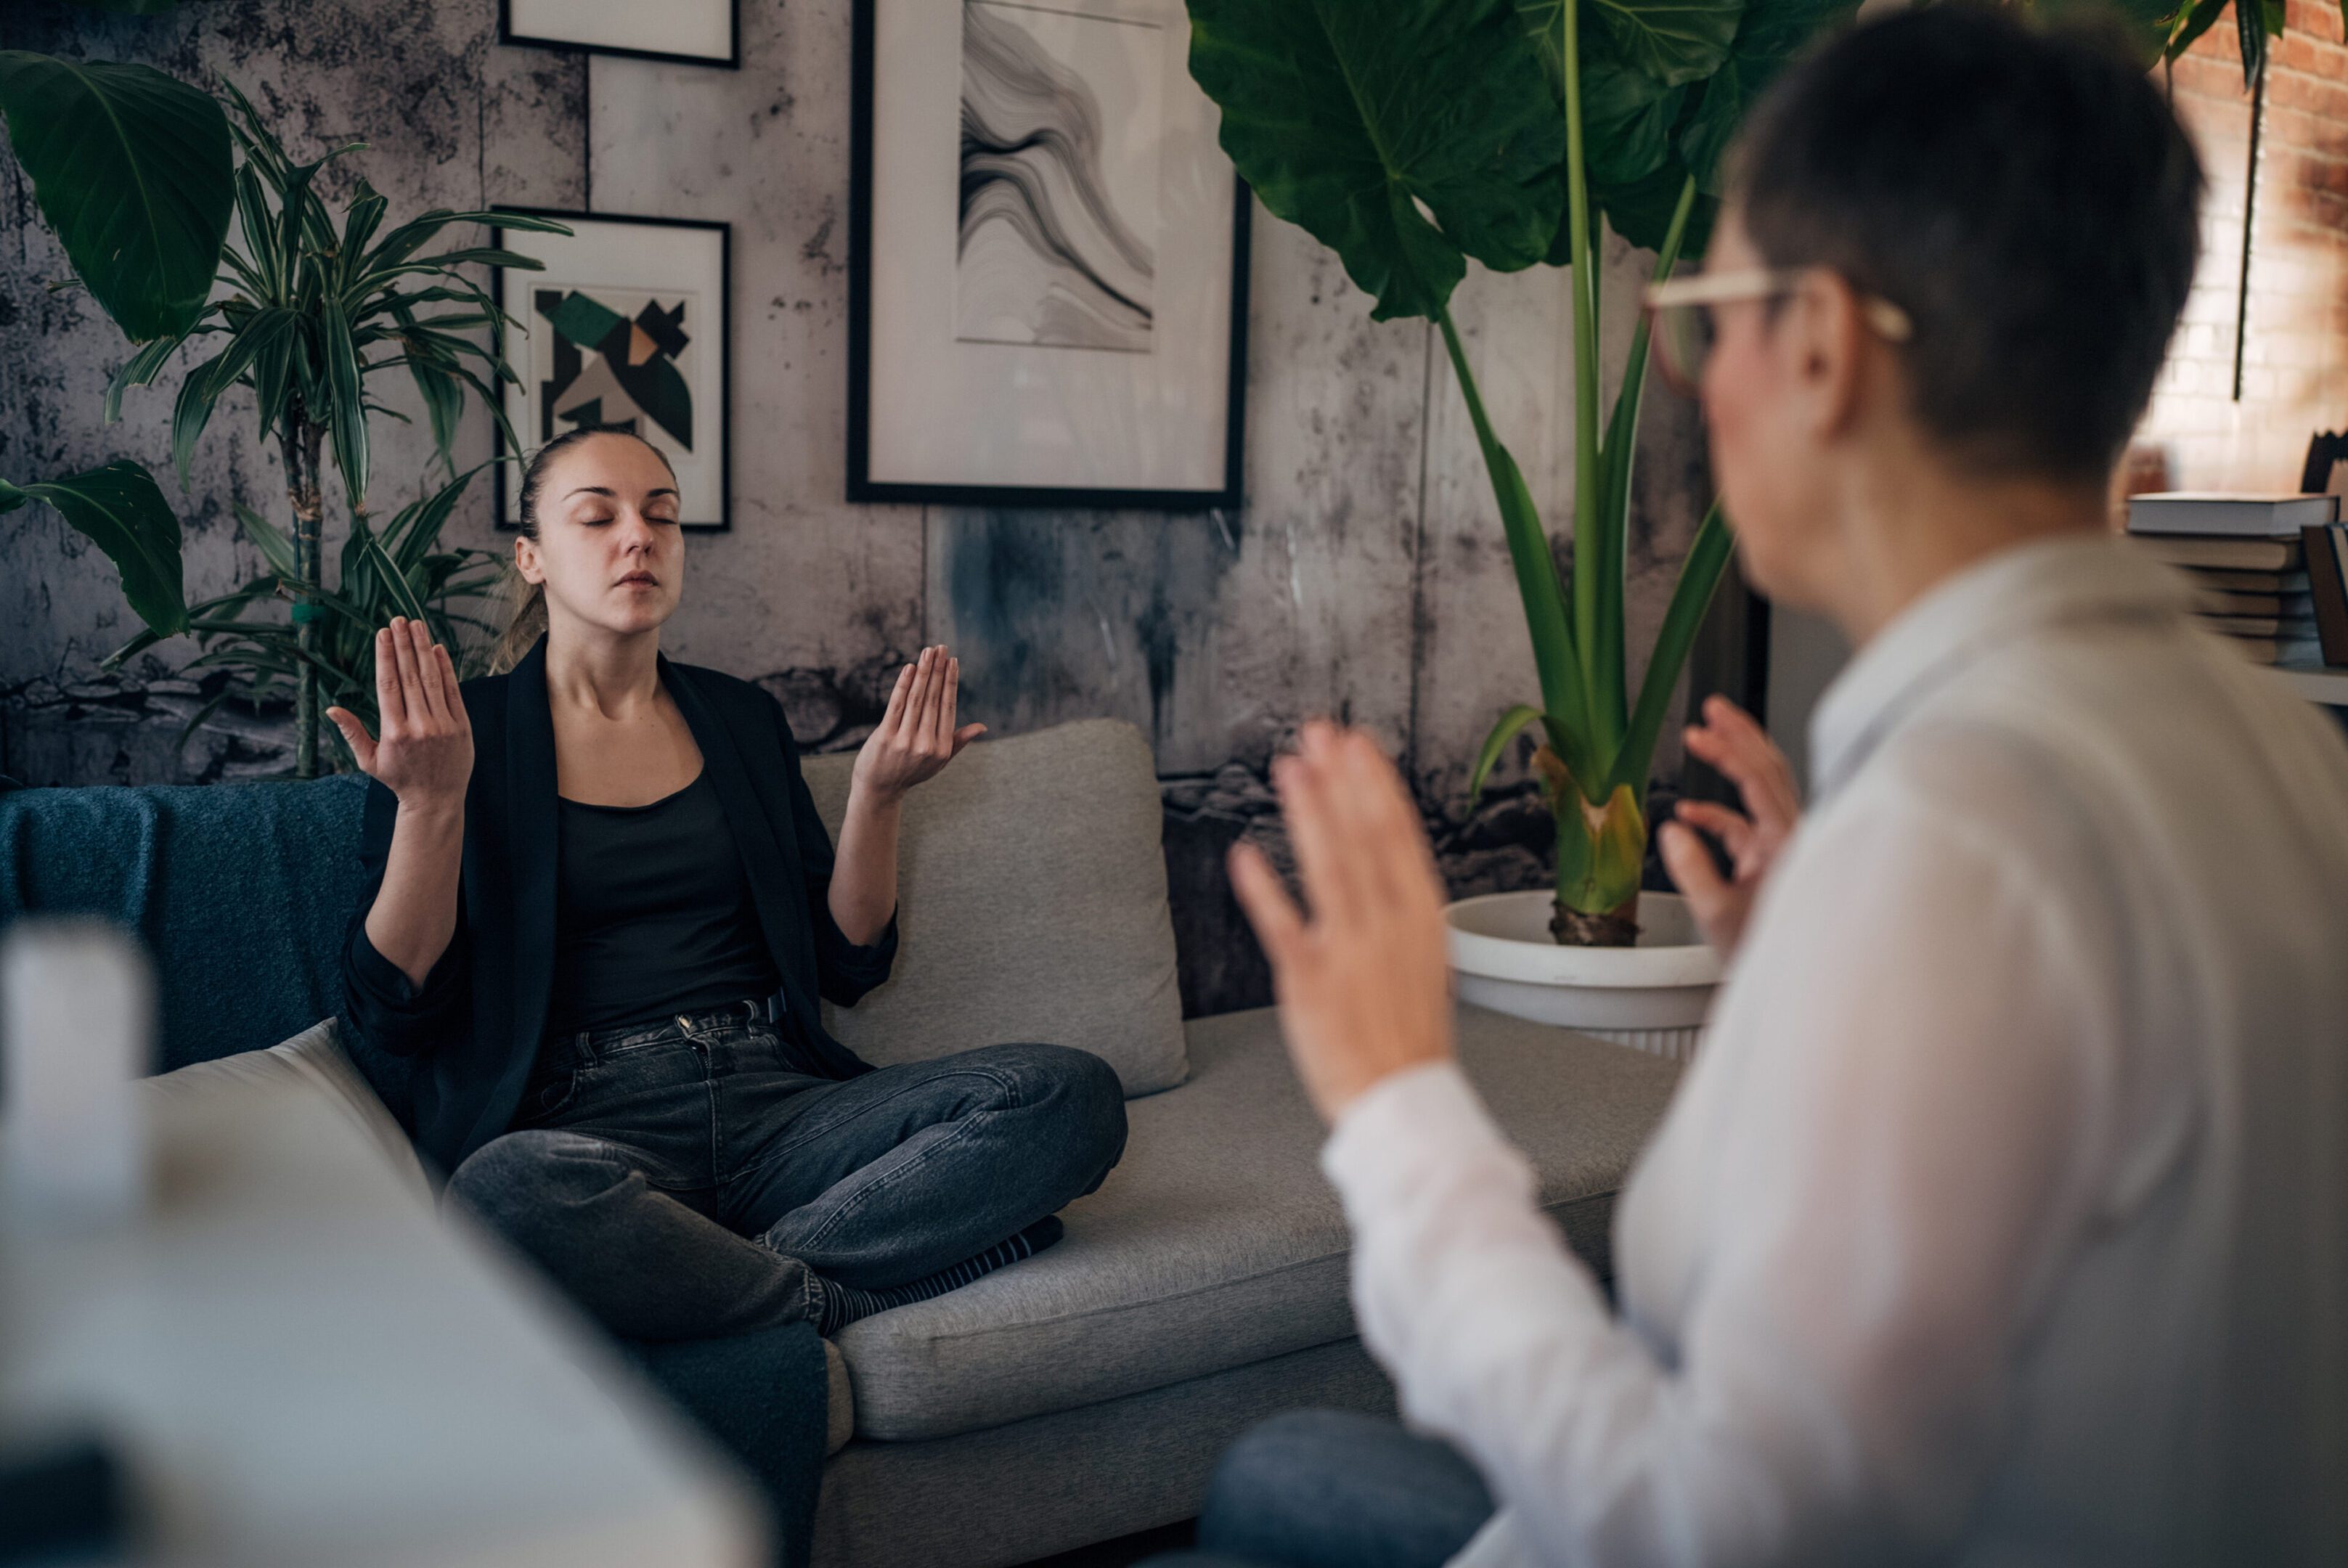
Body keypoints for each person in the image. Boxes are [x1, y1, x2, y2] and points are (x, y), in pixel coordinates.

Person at [1162, 9, 2348, 1566]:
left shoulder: (1952, 846)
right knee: (1285, 1472)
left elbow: (1714, 1533)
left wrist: (1398, 1102)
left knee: (1253, 1508)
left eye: (1701, 309)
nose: (1697, 379)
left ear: (1821, 347)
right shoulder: (2288, 753)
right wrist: (1821, 967)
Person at [331, 426, 1126, 1340]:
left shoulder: (742, 717)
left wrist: (876, 794)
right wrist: (431, 807)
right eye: (597, 516)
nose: (639, 536)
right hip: (587, 1122)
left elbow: (850, 964)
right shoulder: (456, 733)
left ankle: (714, 1273)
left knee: (1067, 1095)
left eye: (662, 516)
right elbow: (393, 1011)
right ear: (532, 557)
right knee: (504, 1195)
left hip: (781, 1108)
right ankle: (840, 1290)